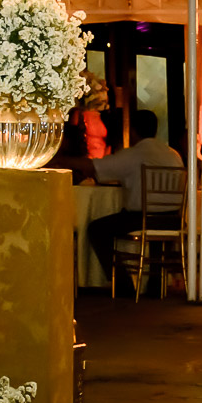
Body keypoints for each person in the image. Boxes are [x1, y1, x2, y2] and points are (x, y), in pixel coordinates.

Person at [76, 110, 183, 284]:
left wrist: (62, 161)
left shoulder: (135, 154)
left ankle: (122, 284)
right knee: (157, 231)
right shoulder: (173, 154)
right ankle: (156, 285)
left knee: (96, 230)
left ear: (132, 130)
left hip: (142, 219)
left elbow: (95, 166)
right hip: (173, 219)